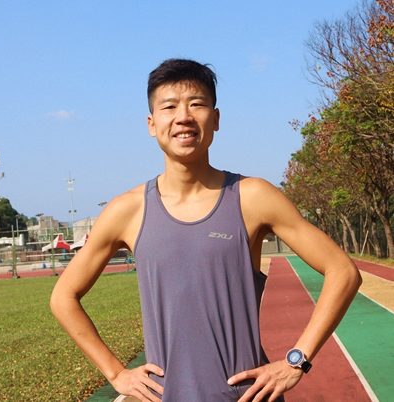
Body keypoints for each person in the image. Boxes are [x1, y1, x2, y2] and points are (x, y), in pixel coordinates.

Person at [50, 59, 361, 402]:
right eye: (169, 107)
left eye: (196, 104)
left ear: (215, 119)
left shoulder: (252, 197)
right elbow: (63, 297)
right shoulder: (128, 210)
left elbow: (343, 271)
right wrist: (116, 373)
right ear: (152, 124)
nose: (183, 117)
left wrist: (296, 361)